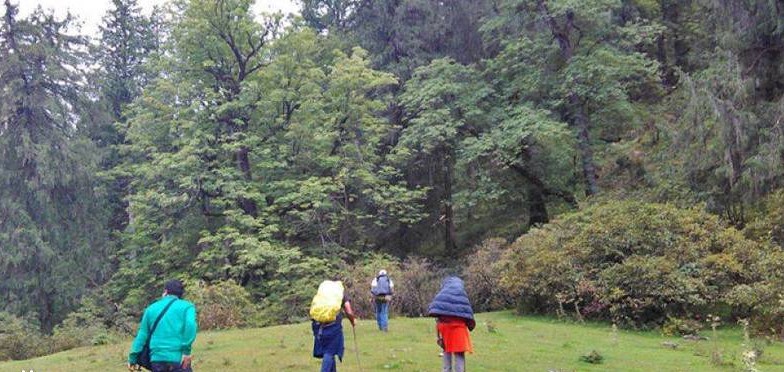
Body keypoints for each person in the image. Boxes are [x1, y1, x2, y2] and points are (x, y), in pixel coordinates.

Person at [128, 279, 198, 372]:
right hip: (178, 358)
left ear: (165, 291)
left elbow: (142, 334)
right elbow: (190, 326)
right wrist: (186, 351)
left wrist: (132, 358)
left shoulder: (151, 309)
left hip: (157, 358)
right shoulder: (187, 307)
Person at [428, 276, 475, 372]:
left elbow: (435, 311)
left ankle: (446, 370)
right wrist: (470, 326)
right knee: (459, 354)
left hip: (444, 328)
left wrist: (438, 335)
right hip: (459, 329)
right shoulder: (462, 294)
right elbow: (468, 313)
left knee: (446, 351)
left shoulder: (442, 294)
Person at [311, 279, 357, 372]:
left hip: (317, 325)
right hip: (332, 326)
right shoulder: (340, 293)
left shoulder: (323, 293)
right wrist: (353, 321)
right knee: (330, 351)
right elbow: (348, 310)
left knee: (328, 352)